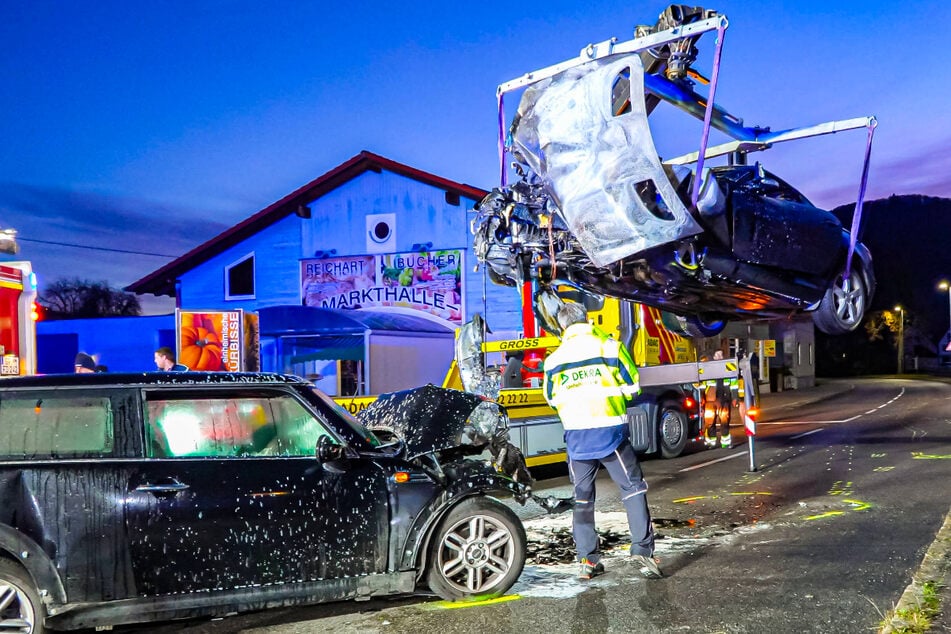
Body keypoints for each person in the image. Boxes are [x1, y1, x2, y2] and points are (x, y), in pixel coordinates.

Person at [542, 302, 661, 581]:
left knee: (581, 498)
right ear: (588, 319)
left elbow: (552, 399)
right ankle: (642, 550)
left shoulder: (553, 360)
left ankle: (587, 561)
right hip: (610, 434)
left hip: (577, 439)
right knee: (632, 488)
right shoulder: (610, 347)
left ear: (562, 326)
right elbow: (633, 386)